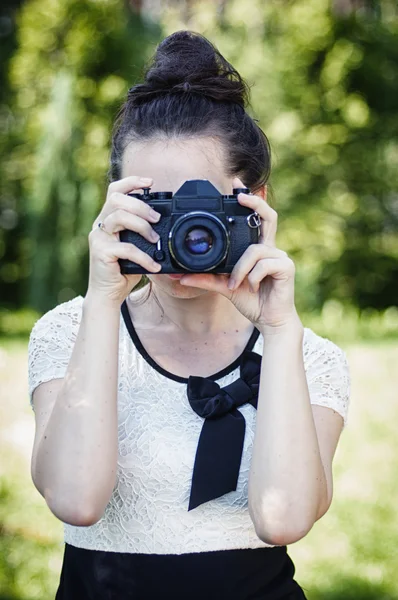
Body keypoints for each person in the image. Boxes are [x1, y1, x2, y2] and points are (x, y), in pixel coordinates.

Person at [27, 31, 350, 600]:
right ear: (115, 204)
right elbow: (76, 502)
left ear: (256, 203)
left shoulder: (311, 356)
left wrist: (278, 332)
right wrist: (103, 301)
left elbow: (285, 521)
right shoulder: (68, 331)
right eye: (156, 206)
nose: (180, 232)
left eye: (201, 206)